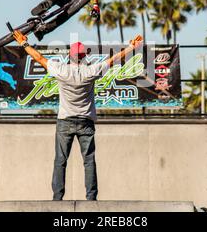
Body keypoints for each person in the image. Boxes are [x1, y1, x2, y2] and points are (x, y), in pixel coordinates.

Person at [12, 29, 143, 200]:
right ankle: (91, 197)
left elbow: (39, 58)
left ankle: (57, 198)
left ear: (70, 56)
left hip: (65, 121)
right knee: (88, 160)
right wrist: (130, 47)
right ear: (83, 57)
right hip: (85, 122)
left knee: (60, 160)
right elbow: (113, 61)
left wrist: (24, 43)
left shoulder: (62, 70)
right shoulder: (91, 71)